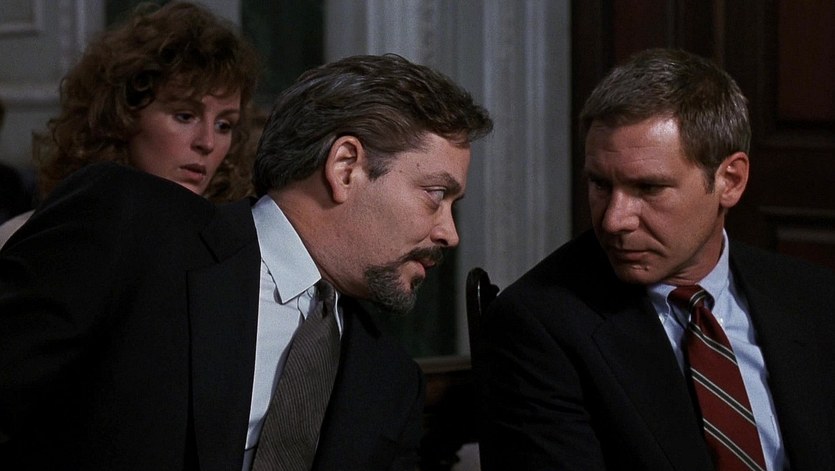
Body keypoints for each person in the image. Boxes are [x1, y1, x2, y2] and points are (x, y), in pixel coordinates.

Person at [0, 53, 493, 470]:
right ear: (346, 167)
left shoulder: (390, 382)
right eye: (436, 195)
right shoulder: (130, 227)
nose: (448, 233)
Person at [477, 48, 835, 470]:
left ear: (730, 181)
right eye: (600, 184)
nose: (614, 220)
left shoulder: (815, 297)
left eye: (648, 188)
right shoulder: (539, 323)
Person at [0, 1, 259, 249]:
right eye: (185, 116)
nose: (208, 143)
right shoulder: (30, 241)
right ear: (122, 115)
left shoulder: (235, 249)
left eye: (224, 125)